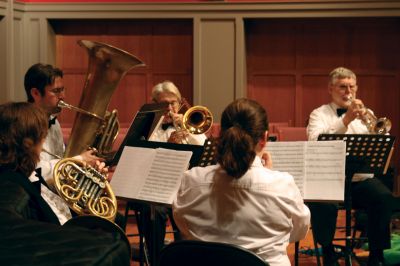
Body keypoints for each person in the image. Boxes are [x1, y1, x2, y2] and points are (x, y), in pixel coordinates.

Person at [173, 98, 310, 266]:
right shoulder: (282, 184)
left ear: (220, 134)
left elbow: (184, 226)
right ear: (264, 138)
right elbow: (300, 230)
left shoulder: (191, 180)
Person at [307, 67, 395, 266]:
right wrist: (346, 119)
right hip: (329, 180)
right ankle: (328, 251)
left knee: (382, 197)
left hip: (359, 179)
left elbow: (384, 142)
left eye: (351, 87)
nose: (348, 92)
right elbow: (315, 142)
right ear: (330, 89)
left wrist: (372, 125)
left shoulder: (367, 114)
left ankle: (376, 255)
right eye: (342, 87)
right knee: (321, 202)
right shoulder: (318, 114)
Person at [0, 102, 108, 225]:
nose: (42, 146)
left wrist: (91, 186)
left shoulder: (26, 176)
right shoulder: (19, 187)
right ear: (28, 144)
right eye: (42, 137)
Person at [24, 63, 101, 187]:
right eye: (56, 91)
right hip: (37, 197)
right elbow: (37, 171)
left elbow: (61, 160)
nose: (63, 96)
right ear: (36, 93)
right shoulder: (24, 126)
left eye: (63, 89)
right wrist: (79, 160)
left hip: (56, 194)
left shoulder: (54, 124)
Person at [148, 80, 207, 145]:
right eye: (164, 103)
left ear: (179, 104)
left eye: (173, 103)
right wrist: (168, 145)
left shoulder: (188, 124)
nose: (169, 108)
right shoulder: (149, 129)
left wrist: (187, 126)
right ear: (155, 104)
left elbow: (204, 145)